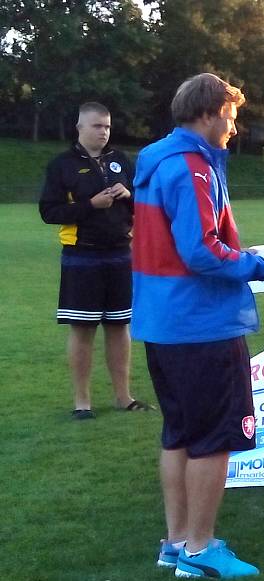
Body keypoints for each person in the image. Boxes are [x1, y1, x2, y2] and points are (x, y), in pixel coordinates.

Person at [131, 73, 264, 580]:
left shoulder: (157, 158)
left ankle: (176, 542)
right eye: (231, 114)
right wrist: (263, 264)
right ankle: (200, 550)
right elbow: (200, 251)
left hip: (163, 321)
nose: (234, 126)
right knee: (213, 437)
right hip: (200, 322)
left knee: (178, 434)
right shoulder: (191, 166)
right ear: (208, 113)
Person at [39, 101, 145, 419]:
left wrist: (130, 196)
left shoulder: (121, 161)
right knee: (83, 329)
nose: (104, 132)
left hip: (119, 254)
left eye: (108, 126)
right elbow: (49, 212)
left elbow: (145, 204)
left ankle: (123, 397)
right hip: (81, 255)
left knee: (119, 326)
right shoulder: (62, 165)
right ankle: (82, 402)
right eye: (97, 126)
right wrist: (90, 205)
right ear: (80, 127)